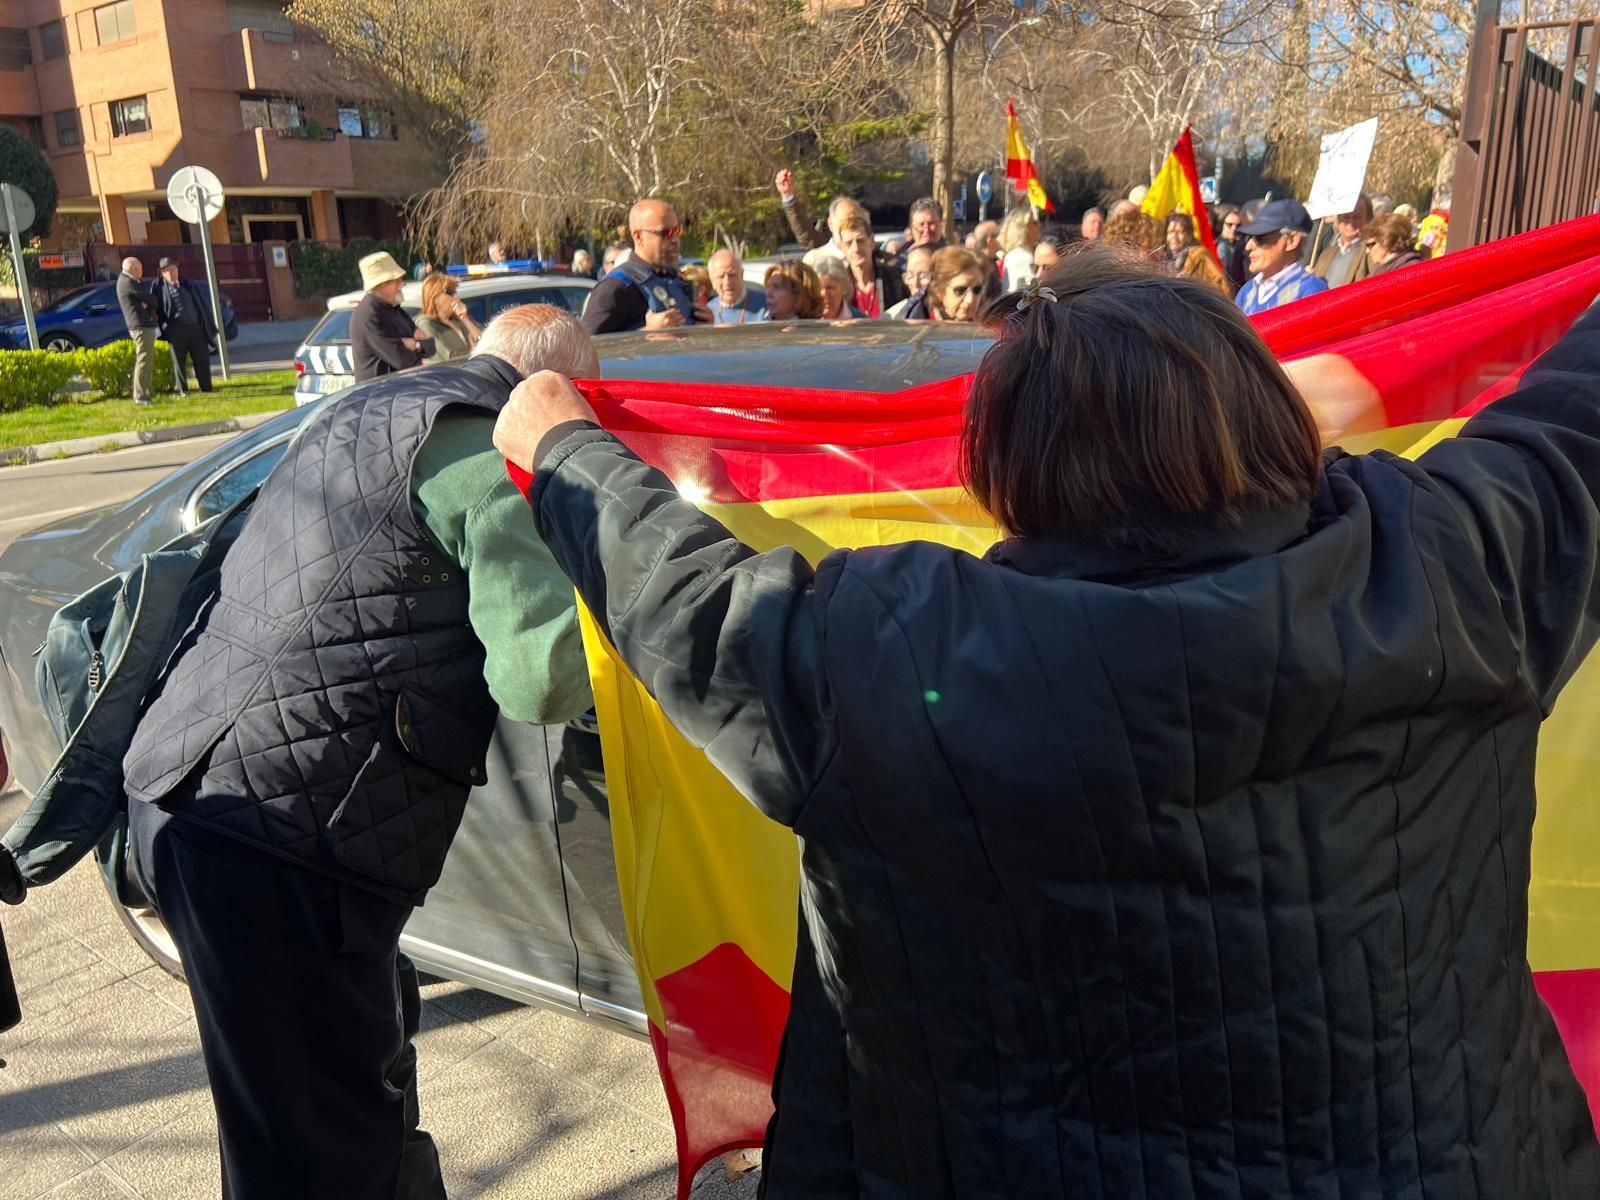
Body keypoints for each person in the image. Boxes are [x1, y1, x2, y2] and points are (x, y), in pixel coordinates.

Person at [493, 251, 1600, 1200]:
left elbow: (686, 600)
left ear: (1003, 471)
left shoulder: (890, 656)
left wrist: (565, 451)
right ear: (1265, 415)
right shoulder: (1461, 569)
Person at [124, 304, 599, 1200]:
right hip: (291, 842)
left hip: (186, 788)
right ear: (561, 395)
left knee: (289, 1120)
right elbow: (543, 684)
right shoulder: (492, 458)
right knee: (326, 1153)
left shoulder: (364, 408)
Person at [581, 198, 711, 334]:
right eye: (665, 233)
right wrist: (646, 332)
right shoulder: (615, 287)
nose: (675, 240)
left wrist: (706, 328)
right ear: (638, 237)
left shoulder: (679, 282)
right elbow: (587, 348)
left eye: (677, 231)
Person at [1234, 198, 1329, 316]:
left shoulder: (1311, 291)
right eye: (1249, 238)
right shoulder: (1246, 292)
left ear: (1291, 241)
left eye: (1260, 238)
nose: (1248, 246)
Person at [350, 252, 432, 382]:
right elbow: (402, 360)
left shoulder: (394, 309)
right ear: (381, 284)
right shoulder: (368, 316)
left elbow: (430, 348)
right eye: (396, 280)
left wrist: (414, 344)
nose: (401, 284)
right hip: (380, 396)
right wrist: (416, 345)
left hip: (401, 390)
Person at [151, 256, 218, 395]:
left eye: (173, 270)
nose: (171, 274)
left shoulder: (188, 284)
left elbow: (200, 304)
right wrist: (163, 326)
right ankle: (182, 389)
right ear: (162, 273)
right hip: (176, 330)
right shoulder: (159, 287)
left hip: (195, 328)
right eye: (167, 271)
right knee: (179, 361)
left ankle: (206, 387)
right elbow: (155, 308)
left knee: (201, 358)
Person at [773, 168, 869, 261]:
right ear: (831, 223)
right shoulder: (819, 257)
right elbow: (805, 234)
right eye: (845, 220)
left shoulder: (871, 256)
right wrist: (788, 197)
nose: (851, 225)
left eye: (856, 220)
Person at [835, 216, 906, 319]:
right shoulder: (838, 285)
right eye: (849, 243)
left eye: (860, 241)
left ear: (871, 242)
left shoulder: (895, 278)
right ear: (841, 247)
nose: (856, 249)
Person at [116, 256, 160, 406]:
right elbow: (151, 300)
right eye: (140, 269)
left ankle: (147, 391)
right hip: (140, 326)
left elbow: (149, 302)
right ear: (135, 269)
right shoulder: (128, 282)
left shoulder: (131, 282)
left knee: (148, 360)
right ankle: (140, 395)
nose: (142, 272)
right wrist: (148, 302)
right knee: (143, 360)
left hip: (143, 325)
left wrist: (148, 303)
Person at [899, 246, 984, 322]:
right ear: (938, 291)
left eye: (977, 290)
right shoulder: (910, 327)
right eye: (960, 290)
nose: (970, 299)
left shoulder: (990, 324)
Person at [414, 271, 481, 362]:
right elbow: (449, 357)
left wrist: (465, 319)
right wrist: (475, 351)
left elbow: (487, 342)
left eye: (455, 291)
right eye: (450, 292)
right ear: (434, 297)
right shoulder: (425, 324)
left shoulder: (459, 319)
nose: (456, 297)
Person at [1311, 194, 1374, 288]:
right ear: (1338, 219)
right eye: (1346, 217)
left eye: (1357, 217)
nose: (1351, 223)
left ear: (1368, 219)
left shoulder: (1372, 252)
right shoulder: (1326, 254)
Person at [1164, 213, 1233, 297]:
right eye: (1170, 232)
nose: (1174, 237)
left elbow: (1221, 285)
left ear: (1188, 235)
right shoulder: (1165, 258)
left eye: (1180, 232)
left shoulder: (1199, 255)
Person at [706, 249, 769, 324]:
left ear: (742, 274)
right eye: (721, 277)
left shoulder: (766, 304)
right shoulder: (707, 310)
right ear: (712, 281)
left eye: (732, 275)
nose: (727, 282)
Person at [885, 246, 936, 318]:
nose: (915, 284)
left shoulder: (951, 313)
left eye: (923, 276)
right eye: (910, 276)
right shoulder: (894, 316)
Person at [998, 207, 1040, 292]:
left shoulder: (1015, 254)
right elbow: (1033, 288)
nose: (1039, 226)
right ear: (1023, 229)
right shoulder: (1022, 256)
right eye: (1034, 223)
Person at [898, 198, 946, 269]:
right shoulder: (901, 263)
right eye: (921, 224)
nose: (926, 230)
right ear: (912, 228)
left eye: (931, 223)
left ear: (941, 225)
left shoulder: (953, 260)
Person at [812, 255, 864, 320]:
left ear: (844, 288)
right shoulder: (803, 321)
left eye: (830, 288)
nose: (823, 294)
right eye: (818, 288)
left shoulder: (860, 321)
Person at [1214, 205, 1249, 290]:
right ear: (1222, 224)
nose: (1234, 229)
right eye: (1229, 225)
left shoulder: (1244, 245)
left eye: (1238, 225)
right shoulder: (1214, 245)